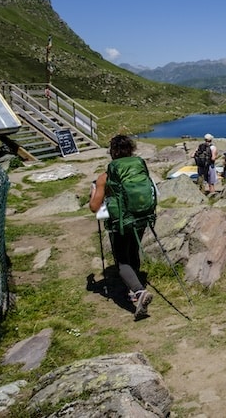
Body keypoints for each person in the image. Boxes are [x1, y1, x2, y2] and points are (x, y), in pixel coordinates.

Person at [89, 134, 153, 320]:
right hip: (141, 219)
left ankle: (139, 292)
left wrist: (94, 192)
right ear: (131, 150)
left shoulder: (105, 177)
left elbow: (95, 207)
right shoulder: (139, 169)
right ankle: (134, 288)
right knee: (133, 251)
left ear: (112, 152)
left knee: (121, 260)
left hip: (120, 224)